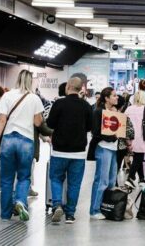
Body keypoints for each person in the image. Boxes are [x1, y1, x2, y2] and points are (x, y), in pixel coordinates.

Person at [0, 70, 44, 222]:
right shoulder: (34, 98)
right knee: (24, 176)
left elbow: (2, 120)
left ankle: (5, 214)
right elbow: (37, 122)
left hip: (8, 139)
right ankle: (21, 201)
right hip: (26, 141)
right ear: (30, 81)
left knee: (6, 179)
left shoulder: (7, 96)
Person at [47, 77, 93, 224]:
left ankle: (56, 205)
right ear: (81, 89)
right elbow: (90, 127)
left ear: (68, 87)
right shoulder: (86, 106)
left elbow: (50, 124)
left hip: (59, 151)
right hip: (78, 152)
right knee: (74, 183)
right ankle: (70, 214)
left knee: (56, 178)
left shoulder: (59, 103)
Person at [89, 87, 121, 220]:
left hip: (113, 148)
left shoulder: (113, 111)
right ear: (106, 98)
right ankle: (94, 210)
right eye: (114, 95)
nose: (117, 97)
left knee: (111, 181)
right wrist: (113, 137)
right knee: (101, 180)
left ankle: (105, 207)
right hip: (103, 147)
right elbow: (96, 132)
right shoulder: (98, 112)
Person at [124, 90, 145, 183]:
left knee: (137, 158)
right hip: (141, 137)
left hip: (130, 138)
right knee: (139, 158)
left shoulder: (129, 109)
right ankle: (130, 177)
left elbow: (124, 123)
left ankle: (142, 178)